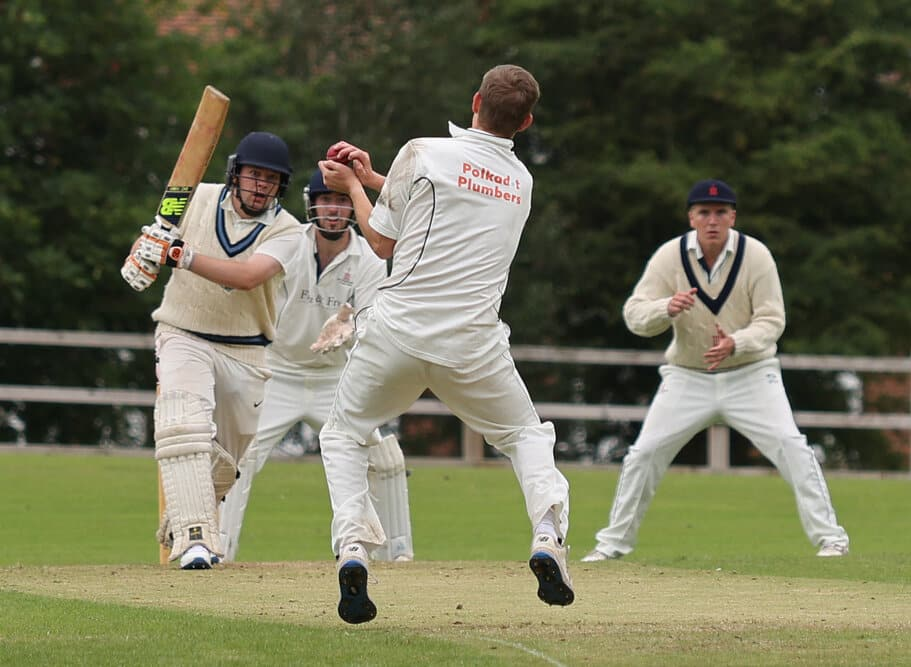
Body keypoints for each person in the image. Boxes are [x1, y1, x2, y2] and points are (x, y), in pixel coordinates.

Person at [317, 64, 574, 624]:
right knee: (526, 435)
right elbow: (446, 207)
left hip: (398, 333)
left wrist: (355, 186)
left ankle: (353, 549)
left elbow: (384, 240)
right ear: (526, 122)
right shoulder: (522, 182)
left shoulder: (424, 151)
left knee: (344, 434)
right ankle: (549, 536)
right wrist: (378, 180)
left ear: (475, 99)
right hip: (472, 346)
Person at [582, 179, 850, 562]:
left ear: (732, 217)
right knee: (644, 453)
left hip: (751, 373)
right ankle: (611, 545)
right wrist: (665, 309)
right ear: (691, 217)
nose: (712, 221)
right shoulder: (669, 257)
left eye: (721, 212)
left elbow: (773, 320)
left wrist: (736, 342)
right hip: (687, 375)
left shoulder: (755, 256)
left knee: (792, 446)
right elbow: (634, 314)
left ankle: (832, 539)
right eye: (704, 213)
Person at [121, 131, 303, 569]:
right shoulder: (195, 198)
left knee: (223, 464)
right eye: (254, 175)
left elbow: (245, 276)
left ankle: (183, 517)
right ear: (236, 174)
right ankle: (197, 542)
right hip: (183, 332)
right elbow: (155, 238)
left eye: (271, 180)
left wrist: (180, 255)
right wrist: (143, 252)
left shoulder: (290, 231)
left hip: (248, 352)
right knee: (183, 428)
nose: (261, 186)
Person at [216, 168, 414, 563]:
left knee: (383, 458)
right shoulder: (288, 245)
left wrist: (350, 328)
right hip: (279, 371)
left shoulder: (370, 260)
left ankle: (397, 556)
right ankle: (218, 551)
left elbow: (375, 318)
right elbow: (247, 287)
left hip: (335, 379)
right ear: (312, 203)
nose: (335, 208)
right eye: (327, 199)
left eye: (342, 200)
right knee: (238, 458)